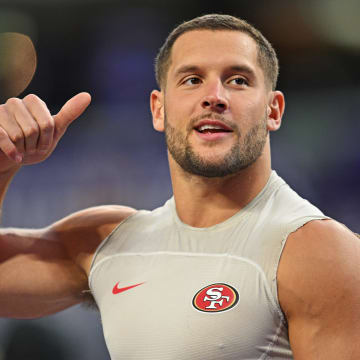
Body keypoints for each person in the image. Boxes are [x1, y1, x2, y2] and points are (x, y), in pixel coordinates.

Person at [0, 13, 359, 360]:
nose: (214, 96)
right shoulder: (106, 242)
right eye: (192, 80)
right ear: (159, 109)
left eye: (238, 80)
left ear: (273, 110)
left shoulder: (320, 253)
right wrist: (3, 165)